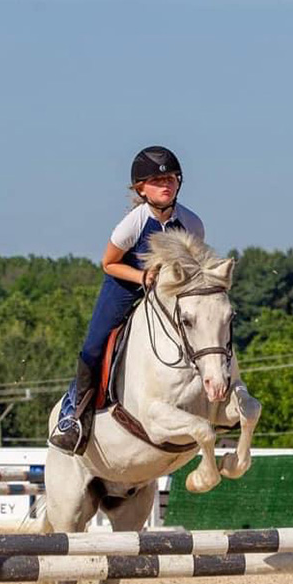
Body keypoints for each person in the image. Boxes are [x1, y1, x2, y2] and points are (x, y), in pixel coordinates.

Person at [49, 145, 205, 454]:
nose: (166, 185)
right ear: (141, 188)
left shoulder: (192, 223)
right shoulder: (133, 223)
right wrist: (142, 278)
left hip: (169, 292)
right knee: (94, 345)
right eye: (158, 181)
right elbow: (109, 263)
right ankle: (73, 415)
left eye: (172, 179)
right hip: (125, 285)